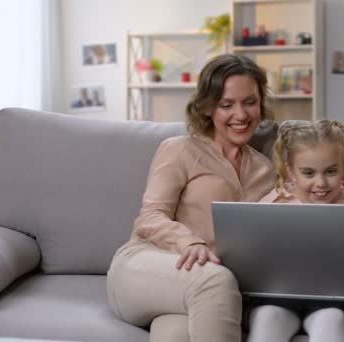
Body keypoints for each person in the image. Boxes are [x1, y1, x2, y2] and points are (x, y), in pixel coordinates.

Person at [106, 54, 276, 342]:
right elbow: (149, 218)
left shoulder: (266, 169)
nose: (242, 115)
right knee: (216, 281)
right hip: (145, 265)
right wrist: (190, 241)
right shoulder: (179, 149)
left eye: (250, 102)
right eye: (227, 105)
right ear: (208, 107)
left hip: (196, 284)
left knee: (175, 334)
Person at [247, 120, 344, 342]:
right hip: (278, 302)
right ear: (290, 170)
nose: (321, 183)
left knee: (332, 321)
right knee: (265, 318)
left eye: (331, 171)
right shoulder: (273, 203)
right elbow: (254, 262)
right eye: (308, 173)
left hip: (332, 302)